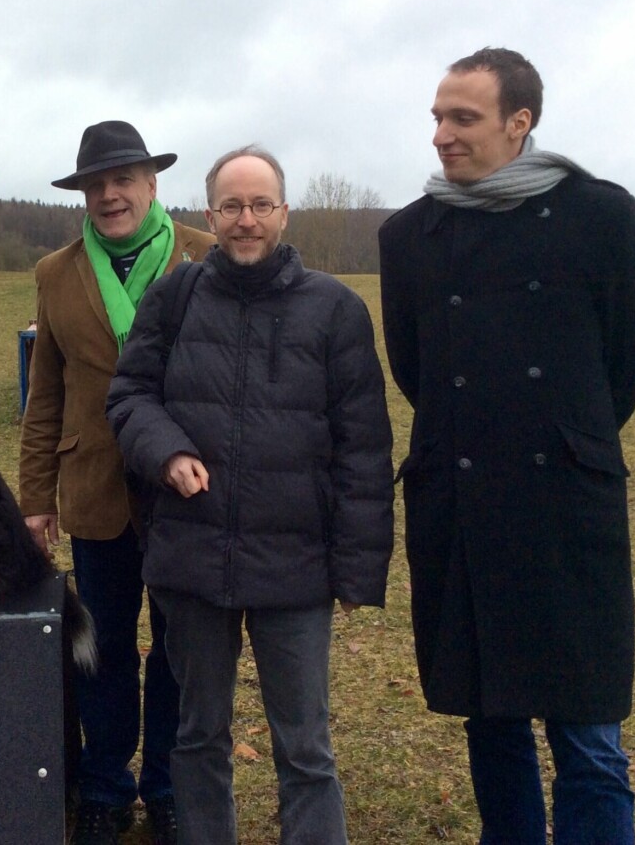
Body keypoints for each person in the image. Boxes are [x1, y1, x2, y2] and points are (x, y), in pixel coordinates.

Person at [378, 48, 635, 844]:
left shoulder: (596, 214)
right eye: (436, 116)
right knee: (490, 719)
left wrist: (569, 440)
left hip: (568, 504)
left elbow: (624, 363)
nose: (441, 135)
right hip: (462, 502)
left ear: (519, 122)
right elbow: (415, 369)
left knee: (588, 734)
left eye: (462, 118)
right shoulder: (409, 235)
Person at [107, 147, 394, 844]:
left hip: (295, 568)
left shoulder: (335, 309)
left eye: (260, 205)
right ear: (209, 215)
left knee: (305, 747)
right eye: (231, 206)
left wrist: (357, 569)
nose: (246, 220)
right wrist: (166, 450)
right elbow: (129, 395)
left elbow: (364, 449)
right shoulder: (174, 297)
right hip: (193, 559)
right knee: (199, 734)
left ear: (284, 212)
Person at [19, 120, 215, 845]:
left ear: (152, 184)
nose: (109, 195)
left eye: (122, 179)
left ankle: (166, 785)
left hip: (183, 493)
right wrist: (35, 498)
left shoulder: (206, 257)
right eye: (95, 184)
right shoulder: (54, 273)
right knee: (99, 651)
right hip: (95, 489)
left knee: (176, 650)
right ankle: (106, 786)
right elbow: (45, 394)